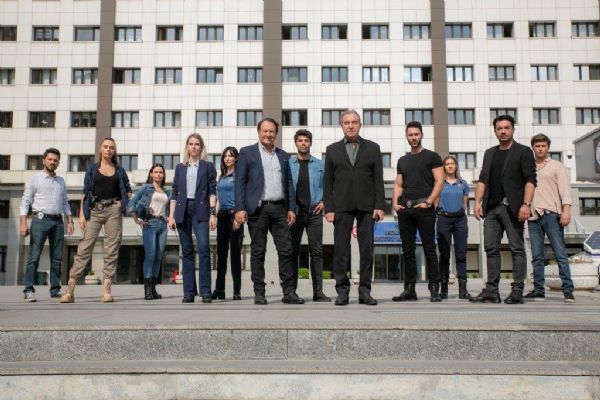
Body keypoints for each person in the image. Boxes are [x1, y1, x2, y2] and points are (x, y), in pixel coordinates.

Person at [234, 117, 301, 305]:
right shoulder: (247, 153)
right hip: (258, 209)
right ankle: (259, 292)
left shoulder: (283, 155)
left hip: (280, 208)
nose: (268, 134)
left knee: (286, 250)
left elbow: (289, 183)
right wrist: (239, 208)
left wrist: (291, 208)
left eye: (272, 131)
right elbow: (240, 182)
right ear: (259, 132)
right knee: (258, 251)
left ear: (276, 134)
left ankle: (289, 292)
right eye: (265, 131)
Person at [471, 115, 536, 304]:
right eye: (499, 128)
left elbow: (531, 180)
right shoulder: (489, 153)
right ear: (495, 131)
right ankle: (492, 291)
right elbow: (483, 179)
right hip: (491, 208)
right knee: (490, 248)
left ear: (513, 129)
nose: (503, 131)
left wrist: (526, 204)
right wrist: (477, 202)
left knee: (516, 248)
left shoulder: (523, 151)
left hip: (513, 208)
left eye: (507, 128)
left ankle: (517, 290)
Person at [323, 109, 385, 306]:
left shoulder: (373, 148)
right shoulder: (332, 150)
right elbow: (327, 182)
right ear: (341, 125)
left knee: (367, 250)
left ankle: (365, 291)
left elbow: (378, 179)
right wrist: (329, 208)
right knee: (340, 250)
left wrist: (379, 205)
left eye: (354, 122)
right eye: (347, 122)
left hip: (367, 206)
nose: (351, 126)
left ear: (360, 125)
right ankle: (342, 291)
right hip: (341, 205)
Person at [60, 137, 132, 303]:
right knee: (84, 247)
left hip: (113, 211)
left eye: (111, 147)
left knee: (111, 248)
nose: (108, 149)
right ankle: (70, 289)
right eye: (105, 147)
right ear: (100, 149)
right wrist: (82, 214)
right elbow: (85, 192)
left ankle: (106, 288)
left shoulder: (120, 171)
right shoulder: (92, 169)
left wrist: (122, 203)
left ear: (114, 151)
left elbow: (128, 191)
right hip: (94, 210)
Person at [391, 121, 444, 302]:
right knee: (408, 251)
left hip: (425, 209)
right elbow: (399, 184)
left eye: (416, 134)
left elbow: (439, 181)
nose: (413, 137)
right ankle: (409, 290)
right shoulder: (402, 160)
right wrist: (395, 204)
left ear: (421, 135)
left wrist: (429, 202)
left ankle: (434, 289)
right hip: (406, 209)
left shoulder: (432, 157)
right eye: (410, 135)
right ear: (407, 136)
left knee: (429, 248)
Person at [525, 134, 575, 303]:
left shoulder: (557, 166)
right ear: (533, 148)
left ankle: (568, 290)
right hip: (533, 216)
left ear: (548, 147)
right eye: (537, 146)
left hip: (552, 214)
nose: (540, 149)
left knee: (560, 254)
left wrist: (566, 211)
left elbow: (565, 190)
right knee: (537, 256)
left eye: (543, 146)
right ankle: (539, 290)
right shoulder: (528, 167)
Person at [168, 133, 217, 304]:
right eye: (191, 144)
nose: (194, 147)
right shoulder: (180, 168)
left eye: (197, 144)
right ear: (187, 147)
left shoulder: (208, 166)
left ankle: (205, 292)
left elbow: (212, 191)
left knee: (204, 249)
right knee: (187, 251)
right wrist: (171, 216)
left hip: (201, 209)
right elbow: (175, 193)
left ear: (201, 147)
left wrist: (213, 214)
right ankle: (189, 292)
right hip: (182, 210)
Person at [21, 148, 74, 302]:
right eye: (50, 159)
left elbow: (65, 202)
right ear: (44, 160)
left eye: (55, 160)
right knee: (34, 257)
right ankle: (28, 290)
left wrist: (70, 221)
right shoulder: (34, 179)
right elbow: (25, 202)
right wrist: (23, 223)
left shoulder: (61, 181)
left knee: (57, 258)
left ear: (58, 162)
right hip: (40, 220)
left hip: (57, 222)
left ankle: (55, 289)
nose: (52, 162)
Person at [289, 129, 331, 302]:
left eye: (306, 140)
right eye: (300, 140)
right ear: (296, 143)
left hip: (314, 212)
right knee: (292, 251)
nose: (303, 143)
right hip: (295, 213)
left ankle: (318, 292)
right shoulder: (288, 164)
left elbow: (330, 185)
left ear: (310, 143)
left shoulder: (320, 165)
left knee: (317, 251)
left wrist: (325, 201)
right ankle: (290, 291)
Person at [127, 163, 171, 300]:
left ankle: (153, 289)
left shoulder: (167, 191)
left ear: (163, 175)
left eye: (161, 172)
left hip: (163, 225)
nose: (158, 174)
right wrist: (136, 219)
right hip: (149, 224)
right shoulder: (146, 188)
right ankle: (147, 291)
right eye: (156, 172)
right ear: (151, 174)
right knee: (150, 255)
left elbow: (170, 207)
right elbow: (132, 203)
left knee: (158, 256)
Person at [436, 155, 471, 299]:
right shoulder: (439, 184)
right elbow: (436, 202)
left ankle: (463, 290)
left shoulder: (463, 184)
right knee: (444, 255)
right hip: (443, 219)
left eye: (452, 163)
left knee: (461, 254)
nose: (450, 166)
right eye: (447, 164)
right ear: (444, 167)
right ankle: (443, 290)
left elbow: (464, 203)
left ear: (456, 166)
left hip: (460, 220)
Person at [212, 146, 243, 301]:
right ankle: (220, 289)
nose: (227, 158)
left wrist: (239, 218)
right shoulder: (222, 177)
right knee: (221, 255)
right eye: (225, 156)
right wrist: (214, 216)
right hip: (222, 217)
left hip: (234, 216)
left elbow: (242, 196)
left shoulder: (239, 175)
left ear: (236, 158)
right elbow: (218, 198)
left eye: (230, 156)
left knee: (235, 255)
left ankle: (237, 291)